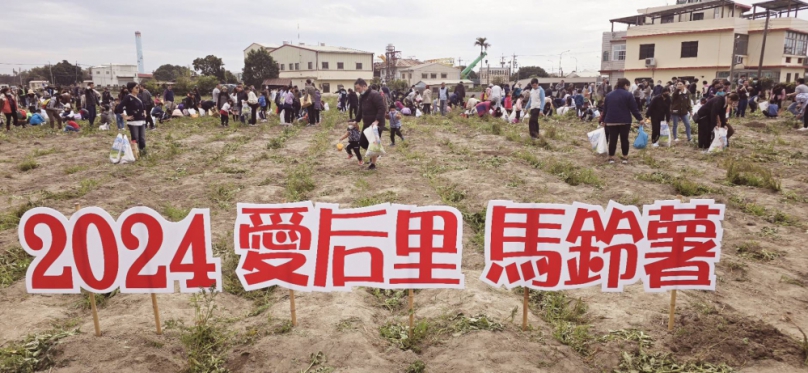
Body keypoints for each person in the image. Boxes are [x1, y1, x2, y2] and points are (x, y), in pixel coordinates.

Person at [600, 78, 643, 164]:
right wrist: (640, 118)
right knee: (624, 139)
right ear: (625, 85)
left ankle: (611, 157)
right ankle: (625, 158)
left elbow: (605, 109)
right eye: (628, 86)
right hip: (625, 121)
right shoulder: (628, 95)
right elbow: (633, 108)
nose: (628, 87)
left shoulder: (609, 95)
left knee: (612, 139)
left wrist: (603, 120)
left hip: (611, 120)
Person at [352, 78, 386, 171]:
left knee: (373, 143)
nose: (358, 91)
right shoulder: (361, 97)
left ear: (364, 86)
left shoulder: (375, 95)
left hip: (376, 124)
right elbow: (360, 110)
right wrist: (357, 120)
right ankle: (375, 154)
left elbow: (382, 108)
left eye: (359, 88)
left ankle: (373, 164)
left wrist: (377, 121)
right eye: (357, 89)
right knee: (363, 142)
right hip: (367, 123)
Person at [115, 82, 148, 154]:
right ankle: (135, 152)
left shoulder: (139, 96)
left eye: (138, 87)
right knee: (135, 138)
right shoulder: (128, 97)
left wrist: (145, 112)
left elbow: (144, 105)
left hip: (141, 120)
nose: (138, 89)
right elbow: (119, 107)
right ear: (131, 89)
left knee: (142, 138)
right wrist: (125, 117)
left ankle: (143, 152)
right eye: (136, 87)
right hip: (133, 121)